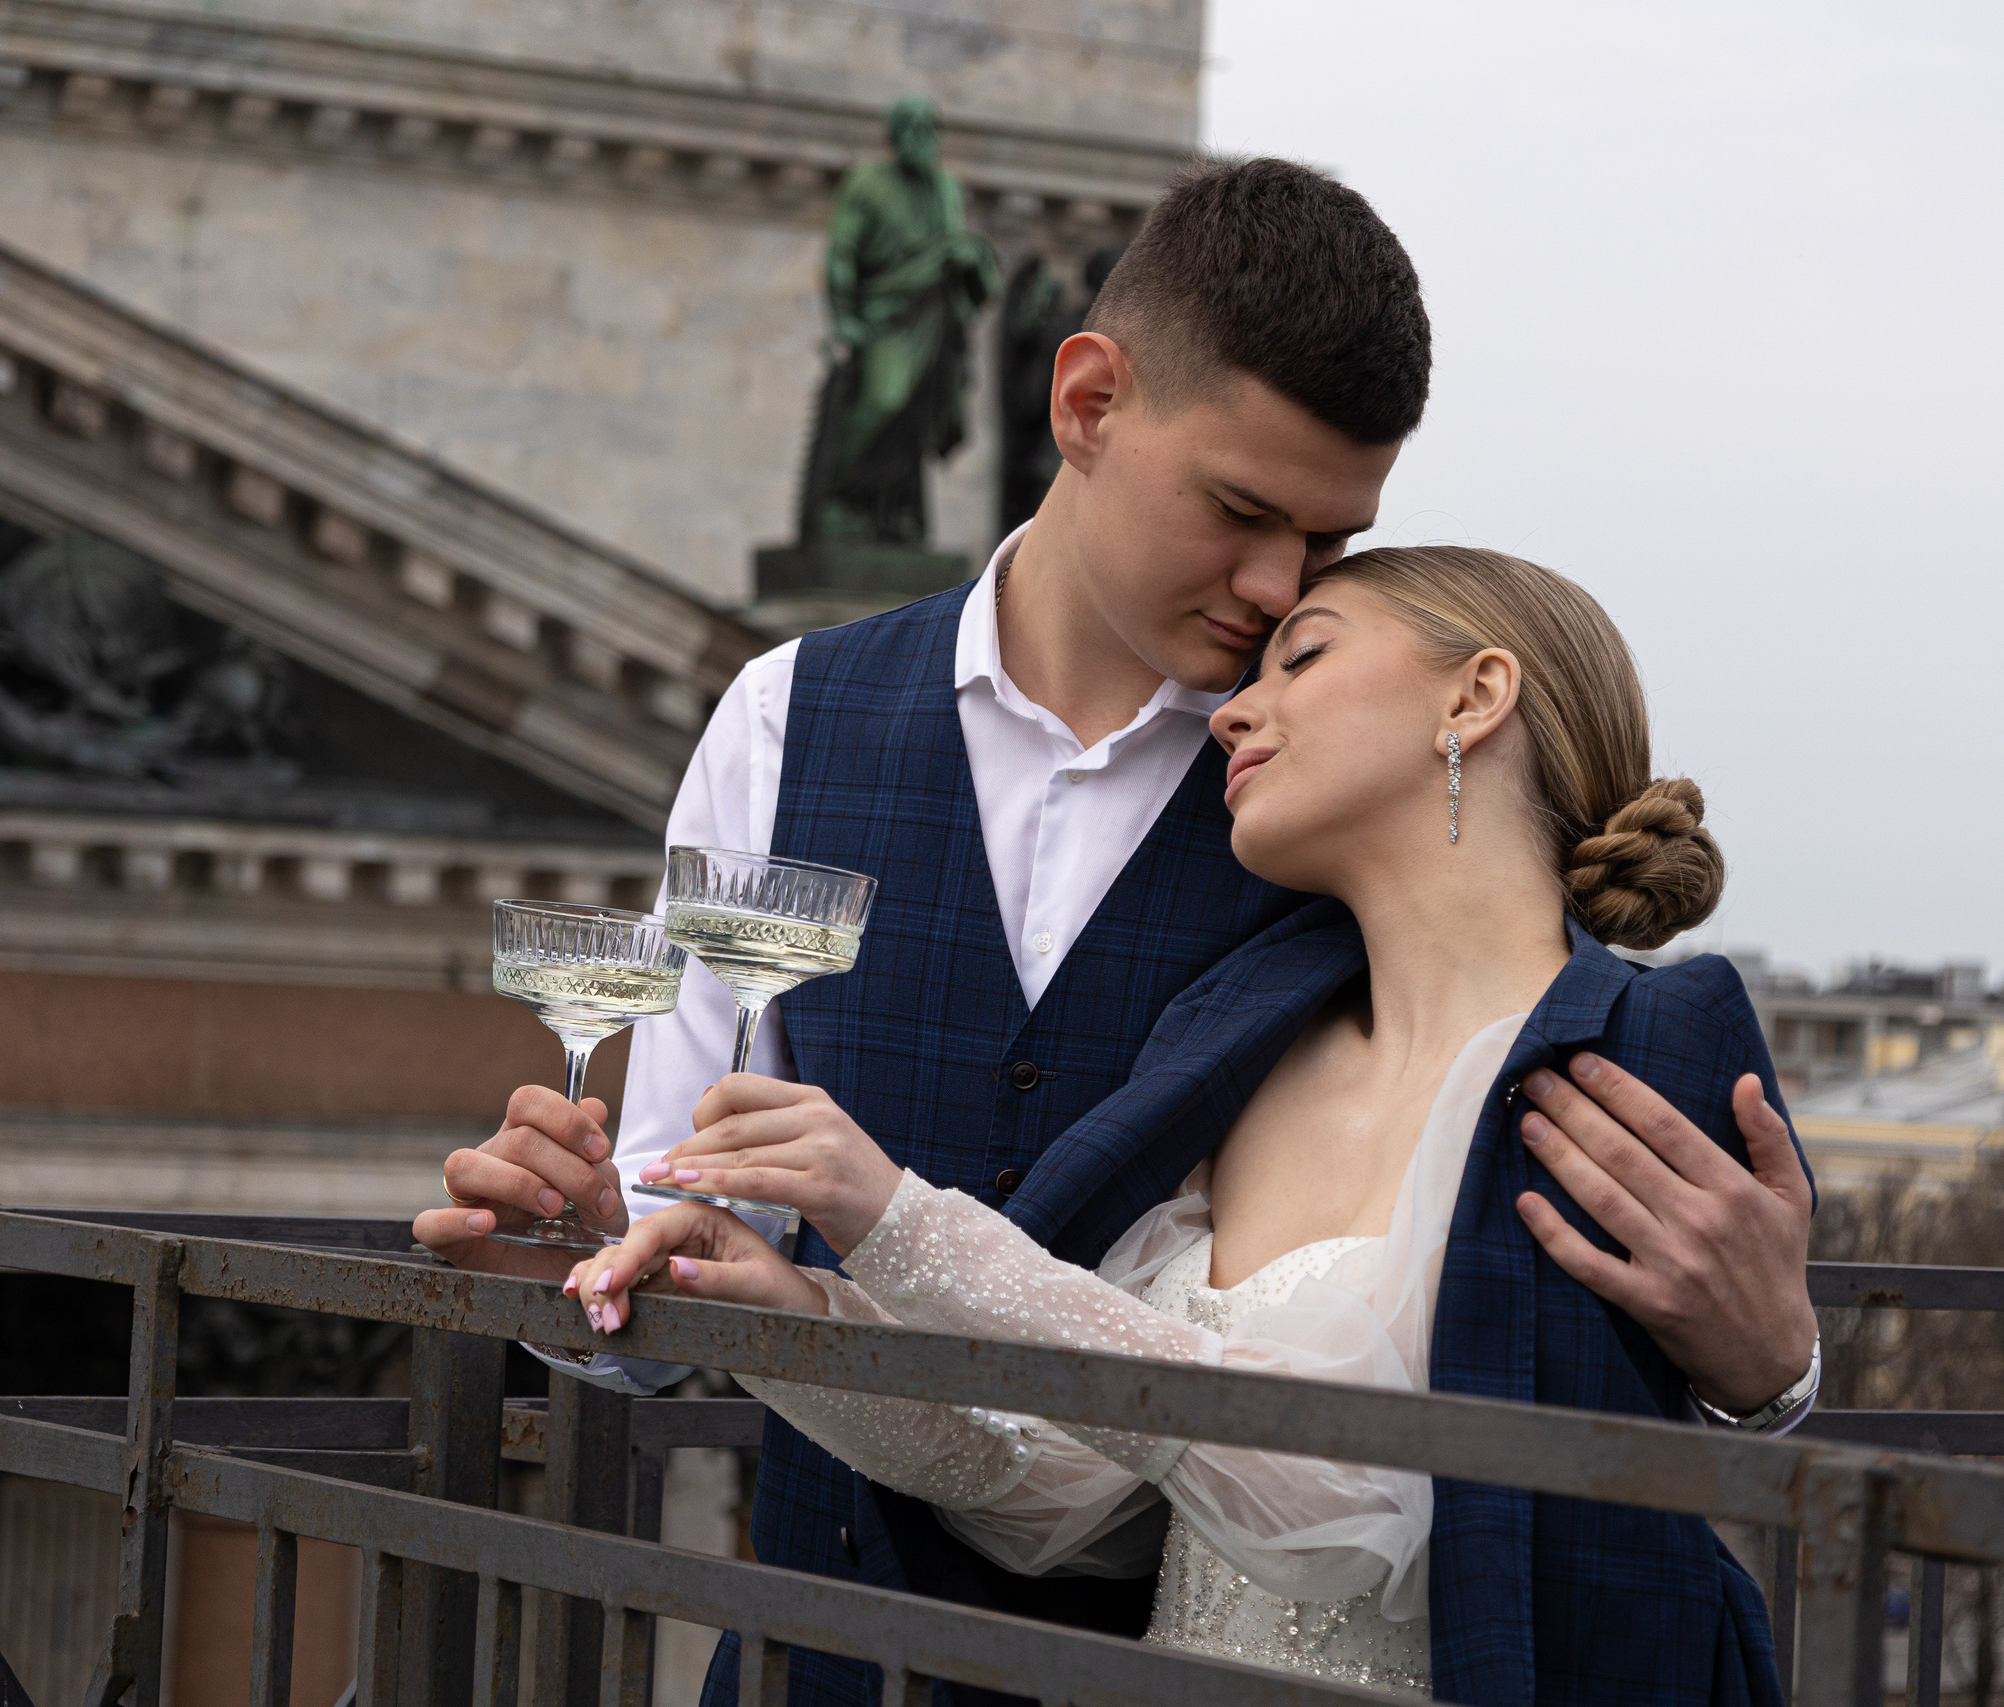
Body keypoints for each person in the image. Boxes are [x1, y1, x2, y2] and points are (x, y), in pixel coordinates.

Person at [417, 160, 1810, 1707]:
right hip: (825, 1651)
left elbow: (1540, 1343)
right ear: (1086, 403)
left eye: (1329, 550)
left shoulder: (1326, 813)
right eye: (1240, 511)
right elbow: (679, 1216)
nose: (1275, 585)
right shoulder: (786, 720)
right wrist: (594, 1261)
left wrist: (1776, 1373)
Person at [568, 546, 1811, 1703]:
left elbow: (1365, 1503)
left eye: (1305, 656)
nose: (1229, 710)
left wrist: (895, 1218)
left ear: (1475, 696)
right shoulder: (1245, 1038)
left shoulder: (1642, 1046)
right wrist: (799, 1328)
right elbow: (1075, 1502)